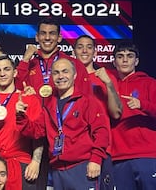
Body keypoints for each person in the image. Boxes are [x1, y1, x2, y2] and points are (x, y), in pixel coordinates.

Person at [14, 17, 92, 189]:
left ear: (59, 38)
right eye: (43, 33)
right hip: (35, 133)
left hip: (66, 134)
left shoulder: (72, 64)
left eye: (52, 34)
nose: (47, 38)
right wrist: (25, 60)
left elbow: (86, 101)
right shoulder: (30, 63)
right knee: (38, 184)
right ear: (36, 37)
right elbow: (17, 91)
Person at [16, 58, 109, 190]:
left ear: (74, 75)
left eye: (65, 72)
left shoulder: (87, 102)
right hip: (57, 170)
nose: (61, 76)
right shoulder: (49, 105)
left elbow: (101, 132)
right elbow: (36, 131)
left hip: (82, 167)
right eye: (56, 72)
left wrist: (96, 159)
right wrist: (20, 116)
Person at [0, 55, 43, 190]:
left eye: (6, 69)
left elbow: (39, 134)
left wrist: (36, 161)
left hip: (21, 162)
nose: (2, 74)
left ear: (15, 72)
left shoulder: (29, 100)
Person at [73, 35, 122, 190]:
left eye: (89, 47)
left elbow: (116, 114)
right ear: (74, 51)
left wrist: (108, 83)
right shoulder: (67, 79)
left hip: (101, 149)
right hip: (75, 149)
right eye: (80, 46)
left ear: (95, 52)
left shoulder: (107, 77)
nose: (85, 50)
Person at [111, 42, 156, 190]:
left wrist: (143, 105)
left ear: (136, 61)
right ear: (114, 61)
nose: (125, 60)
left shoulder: (149, 83)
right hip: (118, 157)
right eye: (120, 56)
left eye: (129, 56)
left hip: (147, 155)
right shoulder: (109, 86)